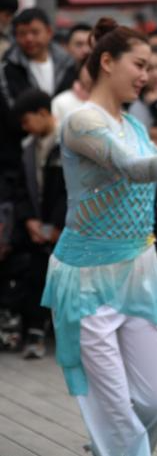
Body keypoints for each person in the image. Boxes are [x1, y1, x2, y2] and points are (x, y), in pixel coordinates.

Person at [40, 18, 157, 456]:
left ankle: (108, 448)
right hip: (87, 278)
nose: (147, 76)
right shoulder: (82, 122)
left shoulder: (133, 124)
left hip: (139, 272)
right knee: (115, 413)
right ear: (107, 61)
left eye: (149, 67)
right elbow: (134, 168)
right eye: (139, 65)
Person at [11, 89, 66, 359]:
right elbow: (21, 188)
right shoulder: (27, 149)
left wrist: (56, 225)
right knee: (34, 274)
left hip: (64, 227)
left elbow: (71, 190)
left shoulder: (68, 142)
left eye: (27, 120)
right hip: (37, 227)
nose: (25, 128)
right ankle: (34, 331)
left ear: (43, 113)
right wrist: (29, 220)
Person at [0, 8, 77, 169]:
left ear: (49, 32)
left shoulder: (68, 65)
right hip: (23, 151)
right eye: (22, 34)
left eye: (35, 32)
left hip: (66, 146)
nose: (29, 38)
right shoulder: (8, 70)